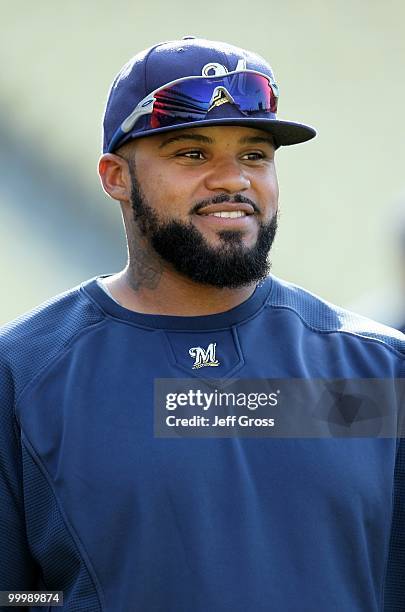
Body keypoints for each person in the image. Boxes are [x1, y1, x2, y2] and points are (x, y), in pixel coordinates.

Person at [1, 36, 404, 612]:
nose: (233, 180)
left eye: (255, 155)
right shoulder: (23, 374)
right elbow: (15, 594)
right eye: (192, 154)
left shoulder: (379, 370)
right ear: (116, 176)